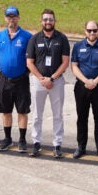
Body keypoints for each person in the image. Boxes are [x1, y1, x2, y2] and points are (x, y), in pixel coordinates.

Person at [26, 8, 71, 158]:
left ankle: (57, 144)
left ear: (55, 21)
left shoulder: (62, 38)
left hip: (56, 82)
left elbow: (65, 62)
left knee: (57, 114)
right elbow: (29, 63)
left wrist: (51, 79)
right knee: (36, 114)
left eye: (51, 19)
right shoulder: (34, 39)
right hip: (38, 81)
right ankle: (36, 142)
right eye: (45, 19)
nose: (48, 22)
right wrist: (42, 79)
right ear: (41, 21)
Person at [70, 20, 98, 159]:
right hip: (82, 87)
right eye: (89, 30)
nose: (92, 33)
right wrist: (86, 81)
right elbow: (74, 66)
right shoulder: (78, 46)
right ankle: (81, 146)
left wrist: (95, 81)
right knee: (82, 118)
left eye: (94, 30)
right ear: (85, 31)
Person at [0, 6, 33, 152]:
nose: (11, 19)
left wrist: (25, 72)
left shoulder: (27, 37)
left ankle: (22, 140)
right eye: (9, 17)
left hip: (21, 79)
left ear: (18, 18)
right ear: (5, 18)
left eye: (14, 16)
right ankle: (7, 138)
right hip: (4, 79)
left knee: (22, 110)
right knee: (6, 110)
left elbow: (32, 58)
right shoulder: (0, 36)